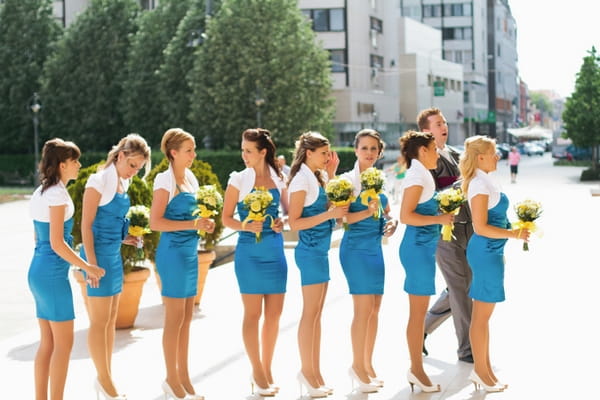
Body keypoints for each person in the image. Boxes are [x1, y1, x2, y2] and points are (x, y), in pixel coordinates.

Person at [28, 138, 105, 400]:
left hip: (39, 271)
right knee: (63, 344)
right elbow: (57, 242)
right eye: (75, 161)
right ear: (62, 165)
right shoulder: (57, 194)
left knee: (48, 343)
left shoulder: (40, 192)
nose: (79, 165)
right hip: (50, 274)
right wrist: (87, 267)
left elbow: (39, 239)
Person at [80, 133, 151, 400]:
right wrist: (90, 265)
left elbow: (110, 220)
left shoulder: (122, 182)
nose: (134, 171)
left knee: (110, 321)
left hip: (114, 256)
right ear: (120, 155)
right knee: (99, 322)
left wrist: (126, 237)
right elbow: (86, 226)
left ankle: (106, 378)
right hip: (96, 259)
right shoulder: (97, 182)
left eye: (139, 168)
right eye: (132, 165)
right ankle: (105, 381)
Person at [459, 136, 529, 392]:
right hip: (485, 252)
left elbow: (494, 221)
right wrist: (514, 235)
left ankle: (485, 370)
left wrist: (514, 229)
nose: (497, 156)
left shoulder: (485, 181)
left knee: (483, 317)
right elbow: (480, 227)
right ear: (480, 157)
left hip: (491, 252)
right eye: (493, 153)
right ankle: (480, 372)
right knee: (480, 318)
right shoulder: (479, 185)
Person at [150, 128, 215, 400]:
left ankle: (184, 378)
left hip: (190, 253)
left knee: (186, 319)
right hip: (172, 255)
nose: (194, 155)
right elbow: (156, 223)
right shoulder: (163, 181)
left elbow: (194, 216)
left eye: (194, 149)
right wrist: (192, 224)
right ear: (173, 153)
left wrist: (205, 223)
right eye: (189, 150)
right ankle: (171, 380)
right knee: (174, 320)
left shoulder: (191, 178)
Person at [222, 128, 288, 397]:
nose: (244, 155)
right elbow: (227, 218)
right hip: (249, 253)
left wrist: (284, 221)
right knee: (252, 315)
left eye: (248, 151)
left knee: (274, 316)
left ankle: (267, 369)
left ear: (262, 152)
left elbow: (289, 213)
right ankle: (257, 371)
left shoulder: (279, 178)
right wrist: (246, 226)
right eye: (242, 150)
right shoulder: (238, 179)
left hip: (275, 252)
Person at [287, 131, 347, 398]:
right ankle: (306, 372)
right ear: (308, 153)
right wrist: (330, 214)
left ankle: (315, 372)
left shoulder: (317, 177)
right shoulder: (301, 180)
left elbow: (334, 208)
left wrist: (332, 175)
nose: (327, 157)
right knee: (310, 314)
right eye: (324, 153)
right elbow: (294, 223)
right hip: (310, 252)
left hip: (320, 252)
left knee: (317, 314)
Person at [338, 129, 398, 393]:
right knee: (362, 309)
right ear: (356, 150)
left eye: (374, 149)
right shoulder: (346, 181)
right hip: (354, 249)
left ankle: (367, 364)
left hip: (375, 249)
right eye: (365, 148)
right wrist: (368, 212)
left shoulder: (381, 179)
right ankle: (356, 366)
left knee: (374, 308)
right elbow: (342, 219)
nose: (370, 153)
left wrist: (391, 221)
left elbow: (386, 211)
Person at [398, 130, 454, 393]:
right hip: (417, 249)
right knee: (417, 315)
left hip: (423, 248)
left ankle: (417, 369)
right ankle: (416, 370)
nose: (438, 153)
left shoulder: (421, 173)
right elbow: (406, 216)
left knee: (418, 314)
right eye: (434, 149)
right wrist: (440, 219)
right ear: (422, 151)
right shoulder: (416, 175)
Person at [418, 107, 474, 363]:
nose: (444, 126)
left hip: (468, 227)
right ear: (425, 130)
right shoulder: (423, 160)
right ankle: (467, 350)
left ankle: (420, 330)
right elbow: (427, 195)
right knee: (460, 289)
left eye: (444, 122)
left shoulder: (455, 154)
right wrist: (461, 184)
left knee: (462, 285)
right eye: (438, 123)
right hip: (443, 231)